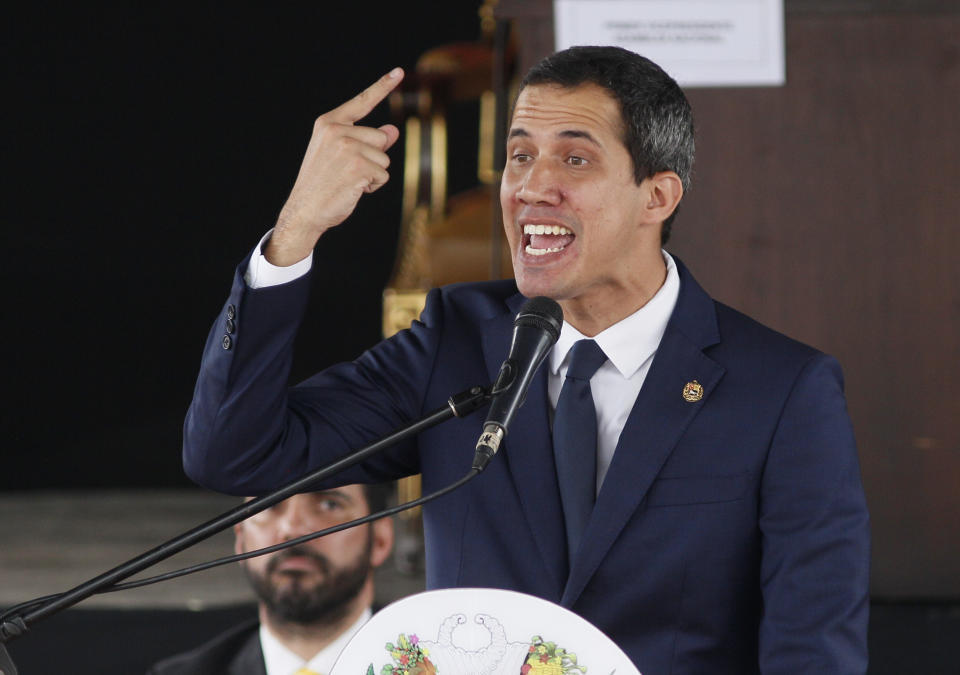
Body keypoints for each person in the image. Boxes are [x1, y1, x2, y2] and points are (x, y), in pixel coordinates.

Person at [183, 46, 870, 673]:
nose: (531, 187)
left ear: (656, 196)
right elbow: (236, 454)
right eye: (519, 156)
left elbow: (812, 652)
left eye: (574, 159)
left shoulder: (783, 391)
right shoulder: (453, 340)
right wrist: (296, 231)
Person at [148, 485, 394, 675]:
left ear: (381, 539)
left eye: (329, 504)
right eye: (268, 504)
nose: (292, 529)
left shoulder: (430, 661)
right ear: (240, 538)